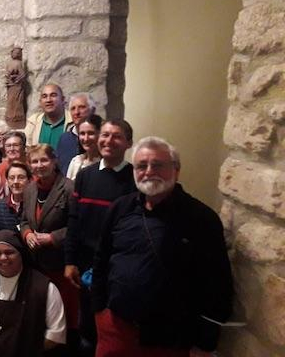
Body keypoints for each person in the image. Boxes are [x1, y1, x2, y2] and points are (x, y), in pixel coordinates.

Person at [92, 137, 232, 357]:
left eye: (157, 165)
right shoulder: (120, 208)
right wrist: (100, 310)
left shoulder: (202, 218)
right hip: (116, 329)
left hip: (171, 339)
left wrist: (206, 342)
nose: (149, 171)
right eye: (141, 166)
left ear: (176, 170)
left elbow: (218, 284)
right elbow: (101, 260)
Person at [64, 119, 137, 355]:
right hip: (85, 261)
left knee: (114, 325)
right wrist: (70, 261)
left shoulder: (135, 179)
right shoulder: (85, 176)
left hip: (118, 265)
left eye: (116, 136)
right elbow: (74, 221)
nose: (108, 141)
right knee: (87, 324)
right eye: (104, 135)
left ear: (128, 143)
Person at [19, 144, 78, 352]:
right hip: (36, 263)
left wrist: (53, 238)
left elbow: (78, 226)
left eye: (44, 160)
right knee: (41, 310)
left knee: (63, 315)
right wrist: (26, 234)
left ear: (54, 162)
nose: (39, 165)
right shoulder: (29, 189)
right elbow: (24, 219)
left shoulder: (70, 188)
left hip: (60, 263)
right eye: (34, 161)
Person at [0, 162, 31, 252]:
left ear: (29, 180)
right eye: (11, 178)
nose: (16, 182)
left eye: (21, 177)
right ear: (7, 181)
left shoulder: (35, 205)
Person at [24, 84, 73, 149]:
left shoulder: (74, 122)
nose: (48, 100)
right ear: (40, 102)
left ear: (62, 99)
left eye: (53, 95)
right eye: (44, 96)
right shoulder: (33, 123)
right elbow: (27, 151)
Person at [57, 93, 96, 173]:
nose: (76, 112)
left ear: (92, 110)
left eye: (81, 107)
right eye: (73, 108)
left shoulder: (100, 138)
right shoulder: (64, 139)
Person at [66, 114, 103, 181]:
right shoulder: (75, 162)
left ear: (100, 134)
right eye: (82, 133)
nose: (86, 139)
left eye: (91, 133)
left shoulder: (106, 164)